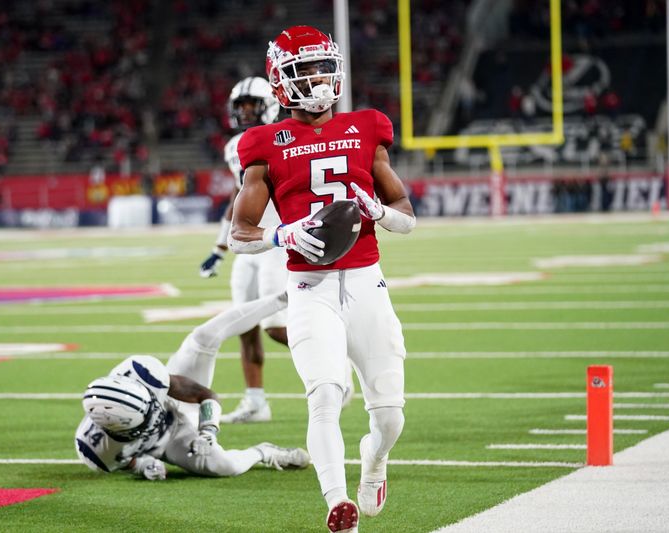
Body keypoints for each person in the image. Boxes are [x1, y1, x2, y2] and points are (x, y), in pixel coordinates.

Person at [228, 26, 416, 533]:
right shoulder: (262, 143)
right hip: (309, 289)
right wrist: (281, 237)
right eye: (303, 68)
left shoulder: (368, 126)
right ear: (280, 80)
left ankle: (373, 460)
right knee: (325, 394)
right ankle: (337, 504)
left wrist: (381, 211)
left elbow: (407, 213)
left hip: (365, 281)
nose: (316, 77)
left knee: (391, 417)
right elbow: (238, 233)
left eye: (321, 65)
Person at [75, 292, 310, 479]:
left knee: (203, 337)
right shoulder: (94, 449)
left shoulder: (143, 373)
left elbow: (205, 395)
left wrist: (208, 431)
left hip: (175, 403)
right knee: (225, 466)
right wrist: (143, 465)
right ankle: (265, 452)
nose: (152, 413)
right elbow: (123, 460)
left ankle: (285, 296)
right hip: (169, 443)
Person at [198, 76, 285, 424]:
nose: (246, 113)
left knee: (276, 328)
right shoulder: (234, 146)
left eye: (253, 106)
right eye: (241, 107)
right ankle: (255, 401)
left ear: (271, 106)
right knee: (243, 324)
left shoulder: (285, 137)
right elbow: (239, 196)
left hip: (276, 241)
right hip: (246, 244)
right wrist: (219, 249)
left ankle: (334, 366)